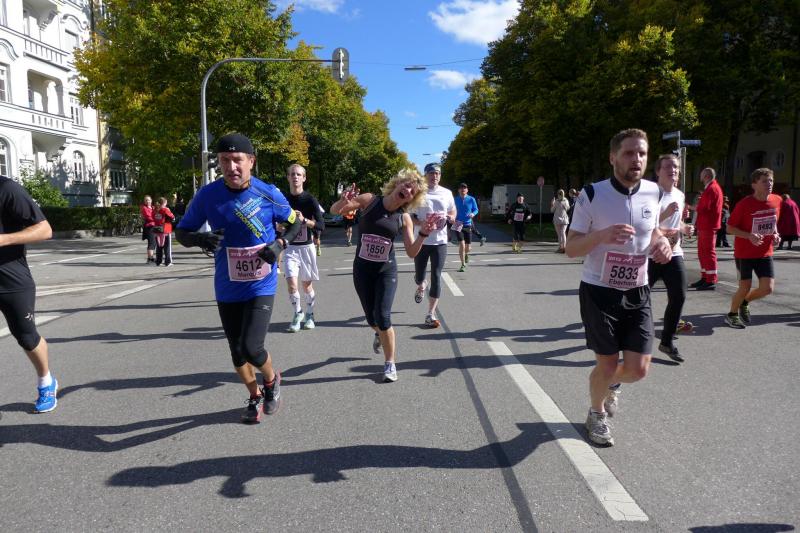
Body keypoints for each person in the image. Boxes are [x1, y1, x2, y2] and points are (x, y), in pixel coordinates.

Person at [175, 133, 302, 424]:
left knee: (251, 347)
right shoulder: (207, 195)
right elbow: (182, 232)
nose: (231, 167)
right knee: (236, 352)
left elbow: (295, 224)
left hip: (261, 282)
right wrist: (199, 239)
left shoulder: (268, 193)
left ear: (251, 161)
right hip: (228, 284)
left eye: (237, 160)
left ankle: (271, 381)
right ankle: (254, 395)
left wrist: (280, 244)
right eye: (224, 161)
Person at [566, 128, 672, 446]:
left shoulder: (654, 192)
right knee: (608, 363)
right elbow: (571, 247)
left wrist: (662, 243)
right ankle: (596, 413)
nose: (636, 159)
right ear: (613, 157)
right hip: (599, 291)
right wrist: (602, 235)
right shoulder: (592, 194)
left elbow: (653, 231)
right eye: (628, 153)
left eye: (642, 153)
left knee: (638, 370)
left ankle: (609, 383)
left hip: (638, 290)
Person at [330, 169, 435, 382]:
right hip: (362, 270)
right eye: (406, 185)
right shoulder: (369, 200)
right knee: (372, 319)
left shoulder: (404, 218)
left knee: (383, 316)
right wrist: (342, 201)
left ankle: (390, 364)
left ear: (412, 199)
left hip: (386, 271)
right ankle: (379, 332)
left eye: (412, 191)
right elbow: (336, 211)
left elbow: (411, 252)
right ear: (397, 183)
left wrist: (423, 234)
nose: (408, 190)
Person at [0, 175, 58, 413]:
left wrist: (4, 239)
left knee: (26, 337)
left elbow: (45, 230)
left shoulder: (7, 188)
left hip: (11, 279)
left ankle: (46, 381)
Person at [648, 154, 694, 363]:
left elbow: (677, 222)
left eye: (675, 167)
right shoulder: (649, 194)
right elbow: (642, 222)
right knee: (638, 300)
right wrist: (664, 214)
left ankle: (666, 341)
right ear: (658, 171)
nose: (672, 170)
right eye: (667, 166)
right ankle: (628, 339)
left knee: (679, 296)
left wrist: (685, 228)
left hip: (674, 252)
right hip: (650, 254)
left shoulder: (679, 194)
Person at [724, 168, 782, 329]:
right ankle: (732, 315)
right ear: (754, 185)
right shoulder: (744, 204)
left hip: (765, 252)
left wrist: (776, 234)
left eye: (771, 180)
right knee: (745, 287)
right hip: (745, 253)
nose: (769, 184)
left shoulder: (777, 200)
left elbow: (773, 221)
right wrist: (749, 236)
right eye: (764, 181)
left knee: (767, 289)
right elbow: (729, 228)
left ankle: (745, 302)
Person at [410, 163, 456, 328]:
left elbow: (452, 210)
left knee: (436, 275)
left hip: (440, 242)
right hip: (421, 241)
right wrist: (421, 223)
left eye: (437, 173)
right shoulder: (418, 192)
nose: (434, 176)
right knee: (419, 276)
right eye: (431, 173)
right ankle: (421, 285)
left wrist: (451, 217)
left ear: (440, 176)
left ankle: (430, 313)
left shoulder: (446, 193)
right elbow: (410, 216)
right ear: (425, 175)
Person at [282, 163, 325, 332]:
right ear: (288, 177)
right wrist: (279, 226)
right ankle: (297, 313)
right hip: (290, 248)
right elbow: (274, 221)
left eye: (298, 174)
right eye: (292, 174)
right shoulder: (283, 200)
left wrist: (304, 221)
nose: (295, 177)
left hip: (306, 247)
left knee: (306, 286)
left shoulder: (310, 199)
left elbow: (321, 225)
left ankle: (310, 314)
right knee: (292, 284)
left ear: (304, 178)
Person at [689, 167, 723, 290]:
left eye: (702, 174)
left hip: (708, 225)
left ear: (706, 176)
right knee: (703, 252)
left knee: (707, 252)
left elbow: (703, 208)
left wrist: (690, 207)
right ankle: (705, 277)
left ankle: (711, 279)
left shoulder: (711, 189)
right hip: (706, 225)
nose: (700, 176)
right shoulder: (711, 188)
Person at [454, 182, 480, 271]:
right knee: (461, 244)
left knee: (468, 247)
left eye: (464, 188)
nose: (463, 189)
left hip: (468, 224)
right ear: (458, 190)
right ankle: (463, 264)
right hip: (458, 224)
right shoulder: (455, 199)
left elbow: (476, 209)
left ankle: (466, 254)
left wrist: (473, 213)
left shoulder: (471, 199)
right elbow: (451, 209)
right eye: (461, 188)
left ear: (467, 190)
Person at [152, 197, 175, 267]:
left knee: (159, 246)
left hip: (157, 229)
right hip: (166, 228)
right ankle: (168, 262)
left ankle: (158, 261)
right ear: (165, 203)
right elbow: (172, 217)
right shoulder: (165, 209)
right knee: (167, 246)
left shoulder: (155, 210)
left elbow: (153, 217)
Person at [140, 195, 157, 265]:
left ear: (151, 200)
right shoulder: (144, 208)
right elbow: (148, 217)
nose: (147, 201)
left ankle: (151, 257)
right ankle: (150, 258)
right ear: (144, 201)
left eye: (149, 200)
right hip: (149, 227)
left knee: (154, 242)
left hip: (154, 226)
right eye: (146, 200)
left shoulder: (153, 207)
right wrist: (157, 219)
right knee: (151, 242)